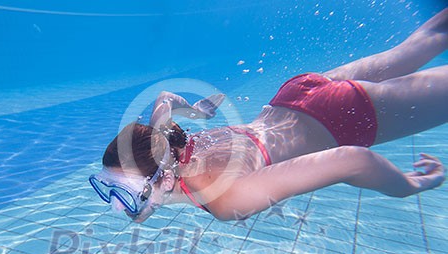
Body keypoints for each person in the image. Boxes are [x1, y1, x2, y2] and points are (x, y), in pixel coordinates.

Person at [90, 8, 447, 223]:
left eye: (124, 194)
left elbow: (353, 160)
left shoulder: (226, 199)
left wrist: (410, 186)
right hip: (296, 94)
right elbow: (165, 96)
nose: (116, 208)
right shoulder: (159, 136)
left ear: (164, 179)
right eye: (111, 191)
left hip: (340, 118)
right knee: (421, 44)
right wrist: (195, 113)